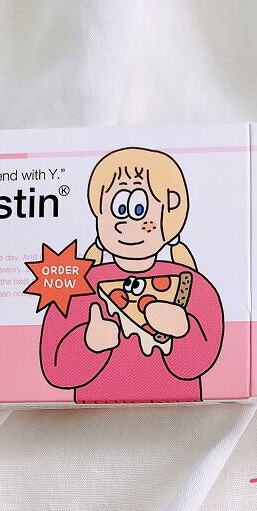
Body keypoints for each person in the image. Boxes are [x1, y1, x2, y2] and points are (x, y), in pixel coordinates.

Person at [39, 148, 224, 402]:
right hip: (93, 409)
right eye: (117, 208)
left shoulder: (193, 285)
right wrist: (88, 344)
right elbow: (56, 370)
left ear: (171, 213)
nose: (126, 224)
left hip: (177, 407)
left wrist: (183, 330)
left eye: (139, 208)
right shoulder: (78, 285)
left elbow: (198, 365)